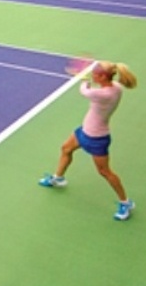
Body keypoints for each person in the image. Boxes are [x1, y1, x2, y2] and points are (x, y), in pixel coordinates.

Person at [38, 61, 138, 220]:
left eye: (95, 73)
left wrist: (83, 79)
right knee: (66, 149)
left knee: (105, 172)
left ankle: (125, 202)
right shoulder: (116, 88)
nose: (92, 74)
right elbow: (94, 88)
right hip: (84, 131)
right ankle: (58, 178)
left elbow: (84, 91)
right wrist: (88, 78)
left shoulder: (102, 94)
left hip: (97, 138)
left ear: (103, 76)